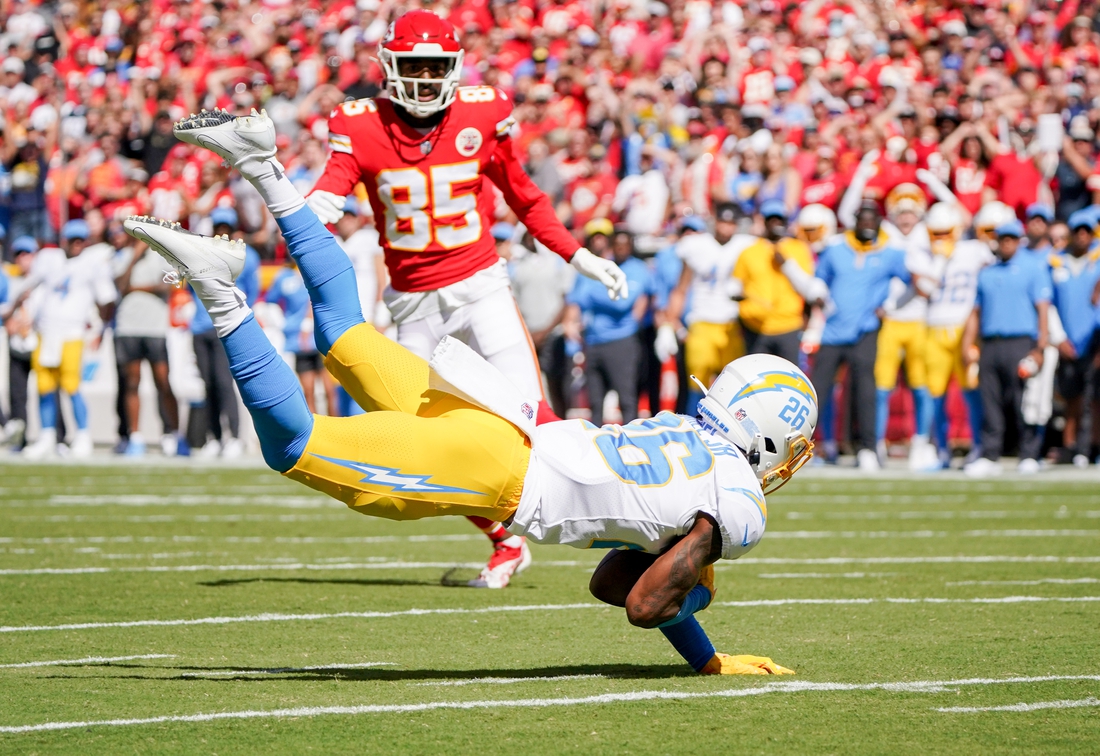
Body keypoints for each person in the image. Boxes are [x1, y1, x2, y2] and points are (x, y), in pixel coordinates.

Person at [123, 155, 816, 675]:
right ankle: (219, 288)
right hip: (504, 472)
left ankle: (266, 168)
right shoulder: (737, 497)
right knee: (295, 445)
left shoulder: (685, 432)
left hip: (499, 414)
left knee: (342, 335)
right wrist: (701, 599)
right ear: (771, 437)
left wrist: (704, 656)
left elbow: (617, 577)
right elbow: (640, 603)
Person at [286, 10, 628, 589]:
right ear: (388, 68)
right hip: (413, 302)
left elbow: (524, 196)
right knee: (422, 440)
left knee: (534, 419)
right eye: (411, 65)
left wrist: (578, 254)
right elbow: (333, 183)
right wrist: (314, 204)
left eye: (434, 66)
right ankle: (505, 539)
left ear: (454, 69)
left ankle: (628, 506)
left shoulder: (481, 111)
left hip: (480, 287)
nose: (423, 79)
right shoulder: (360, 123)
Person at [799, 201, 910, 471]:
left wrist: (892, 306)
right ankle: (800, 448)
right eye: (863, 220)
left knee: (865, 391)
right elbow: (819, 280)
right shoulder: (836, 248)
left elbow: (915, 282)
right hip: (833, 331)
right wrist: (820, 298)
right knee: (817, 392)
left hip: (866, 330)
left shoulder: (891, 252)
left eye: (873, 221)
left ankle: (868, 448)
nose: (867, 226)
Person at [19, 220, 116, 458]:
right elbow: (30, 286)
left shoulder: (93, 263)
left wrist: (100, 328)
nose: (77, 244)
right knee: (44, 386)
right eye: (73, 239)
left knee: (72, 385)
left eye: (81, 239)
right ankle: (47, 436)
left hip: (72, 332)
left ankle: (83, 436)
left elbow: (107, 299)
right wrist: (22, 313)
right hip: (46, 331)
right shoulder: (49, 258)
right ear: (64, 240)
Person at [962, 220, 1052, 476]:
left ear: (1019, 240)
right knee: (990, 401)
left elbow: (1042, 309)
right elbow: (975, 312)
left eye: (1012, 238)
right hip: (991, 343)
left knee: (1022, 400)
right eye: (1003, 239)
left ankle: (1029, 453)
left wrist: (1040, 347)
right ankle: (990, 454)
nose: (1007, 243)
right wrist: (968, 343)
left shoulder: (1032, 269)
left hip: (1020, 342)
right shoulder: (987, 273)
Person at [922, 203, 993, 468]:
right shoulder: (924, 252)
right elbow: (925, 286)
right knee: (935, 395)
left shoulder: (975, 249)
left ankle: (978, 447)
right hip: (933, 327)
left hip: (964, 329)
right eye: (935, 232)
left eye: (945, 232)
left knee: (972, 392)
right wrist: (939, 259)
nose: (940, 238)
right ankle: (941, 450)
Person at [665, 203, 754, 411]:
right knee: (697, 382)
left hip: (731, 323)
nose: (726, 228)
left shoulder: (747, 245)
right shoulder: (696, 245)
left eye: (731, 223)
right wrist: (670, 323)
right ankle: (693, 431)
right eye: (723, 222)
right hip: (702, 320)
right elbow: (681, 287)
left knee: (733, 387)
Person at [565, 227, 653, 426]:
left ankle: (631, 442)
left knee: (626, 398)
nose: (621, 249)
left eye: (625, 245)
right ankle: (596, 442)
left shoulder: (638, 269)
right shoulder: (602, 266)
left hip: (621, 340)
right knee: (595, 401)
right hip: (593, 340)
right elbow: (578, 299)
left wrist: (595, 293)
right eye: (617, 244)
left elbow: (622, 302)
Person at [112, 223, 184, 457]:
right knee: (131, 383)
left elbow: (175, 284)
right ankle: (135, 437)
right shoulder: (121, 257)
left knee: (163, 382)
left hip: (154, 329)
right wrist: (133, 258)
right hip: (128, 328)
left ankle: (174, 434)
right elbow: (120, 286)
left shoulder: (161, 257)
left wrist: (139, 288)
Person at [1048, 210, 1100, 466]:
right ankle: (1071, 447)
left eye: (1086, 231)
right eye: (1077, 230)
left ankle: (1091, 446)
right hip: (1067, 341)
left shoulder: (1097, 259)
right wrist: (1057, 338)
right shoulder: (1056, 262)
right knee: (1071, 399)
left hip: (1094, 340)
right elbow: (1047, 303)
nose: (1082, 235)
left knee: (1095, 399)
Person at [733, 200, 813, 365]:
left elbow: (807, 287)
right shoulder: (749, 251)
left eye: (780, 220)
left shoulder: (798, 249)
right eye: (771, 220)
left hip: (788, 325)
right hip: (756, 326)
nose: (776, 224)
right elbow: (736, 285)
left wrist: (787, 265)